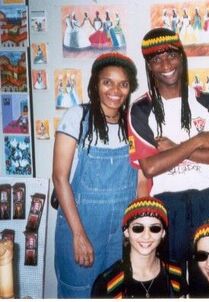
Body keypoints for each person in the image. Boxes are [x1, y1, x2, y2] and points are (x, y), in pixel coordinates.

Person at [128, 27, 209, 297]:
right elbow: (151, 166)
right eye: (156, 59)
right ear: (148, 65)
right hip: (166, 205)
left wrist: (172, 150)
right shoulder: (141, 108)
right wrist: (196, 142)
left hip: (207, 201)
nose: (166, 65)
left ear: (181, 57)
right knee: (168, 284)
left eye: (171, 55)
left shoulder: (206, 102)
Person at [52, 52, 138, 298]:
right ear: (95, 84)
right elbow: (59, 178)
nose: (115, 90)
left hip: (119, 236)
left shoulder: (132, 124)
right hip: (80, 226)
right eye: (107, 82)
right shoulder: (77, 117)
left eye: (123, 84)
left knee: (114, 293)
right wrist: (79, 235)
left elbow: (141, 177)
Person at [91, 197, 188, 298]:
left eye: (155, 228)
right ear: (126, 231)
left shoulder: (175, 273)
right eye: (138, 228)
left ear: (163, 233)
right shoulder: (107, 283)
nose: (146, 236)